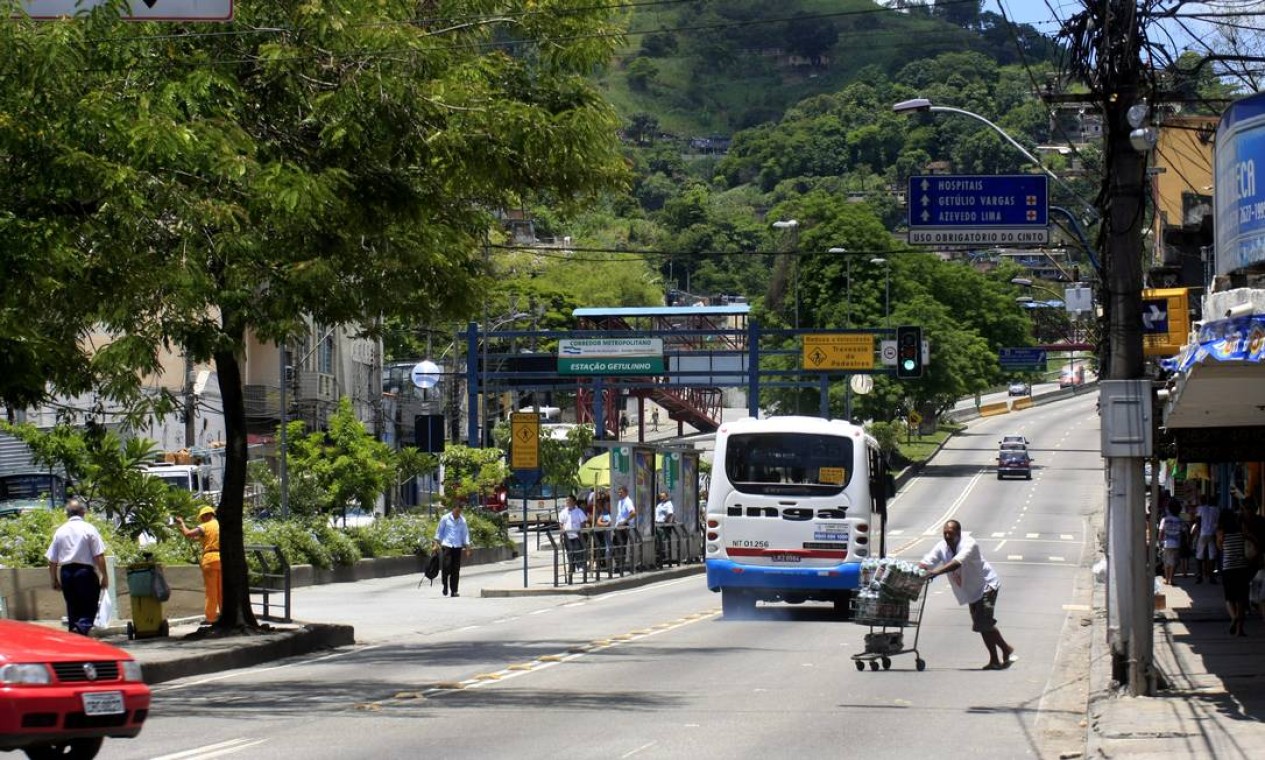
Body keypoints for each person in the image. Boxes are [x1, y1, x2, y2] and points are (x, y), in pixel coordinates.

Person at [920, 520, 1016, 670]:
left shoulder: (970, 543)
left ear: (958, 533)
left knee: (982, 622)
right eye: (945, 533)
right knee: (981, 624)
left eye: (950, 533)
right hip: (971, 590)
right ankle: (998, 656)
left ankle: (1003, 652)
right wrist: (918, 570)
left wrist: (936, 572)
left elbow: (957, 562)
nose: (947, 536)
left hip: (986, 585)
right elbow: (928, 562)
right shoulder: (942, 546)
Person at [45, 498, 109, 636]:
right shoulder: (89, 528)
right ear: (83, 512)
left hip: (66, 573)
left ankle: (75, 636)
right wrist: (104, 576)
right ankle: (80, 628)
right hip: (84, 572)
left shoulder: (60, 531)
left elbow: (52, 560)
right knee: (90, 606)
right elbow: (99, 555)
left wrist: (54, 579)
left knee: (73, 608)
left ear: (67, 514)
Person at [177, 505, 222, 624]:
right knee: (222, 591)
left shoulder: (205, 526)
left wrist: (181, 523)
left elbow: (188, 534)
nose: (201, 520)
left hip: (210, 560)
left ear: (207, 515)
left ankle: (211, 618)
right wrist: (183, 530)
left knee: (211, 591)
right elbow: (197, 538)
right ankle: (224, 615)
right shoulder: (220, 526)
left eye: (202, 517)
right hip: (222, 559)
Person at [1216, 507, 1251, 636]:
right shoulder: (1241, 529)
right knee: (1241, 599)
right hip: (1242, 567)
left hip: (1228, 568)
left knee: (1229, 598)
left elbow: (1220, 547)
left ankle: (1234, 617)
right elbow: (1250, 540)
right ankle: (1239, 630)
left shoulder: (1221, 532)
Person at [434, 503, 471, 597]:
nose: (458, 513)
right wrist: (436, 543)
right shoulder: (445, 518)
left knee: (456, 569)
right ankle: (445, 586)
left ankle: (454, 591)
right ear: (453, 509)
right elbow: (439, 532)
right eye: (457, 511)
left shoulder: (462, 520)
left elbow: (465, 534)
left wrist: (467, 547)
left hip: (457, 546)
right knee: (446, 567)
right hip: (447, 545)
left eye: (460, 511)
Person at [1192, 498, 1221, 584]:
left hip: (1203, 533)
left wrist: (1198, 532)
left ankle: (1199, 576)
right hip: (1212, 534)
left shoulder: (1201, 509)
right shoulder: (1216, 510)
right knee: (1212, 555)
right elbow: (1218, 522)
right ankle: (1211, 576)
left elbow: (1198, 520)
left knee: (1199, 555)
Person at [560, 496, 589, 573]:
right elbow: (561, 524)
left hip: (577, 535)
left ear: (574, 502)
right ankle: (571, 567)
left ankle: (580, 566)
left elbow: (583, 523)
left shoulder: (579, 511)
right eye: (566, 501)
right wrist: (562, 534)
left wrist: (581, 532)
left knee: (578, 551)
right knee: (569, 552)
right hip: (567, 536)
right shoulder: (563, 512)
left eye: (569, 500)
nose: (567, 502)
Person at [1158, 501, 1184, 586]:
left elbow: (1161, 531)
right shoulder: (1179, 520)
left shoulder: (1164, 519)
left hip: (1166, 543)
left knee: (1166, 562)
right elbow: (1182, 531)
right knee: (1173, 561)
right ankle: (1171, 579)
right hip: (1176, 543)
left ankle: (1166, 579)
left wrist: (1159, 541)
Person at [612, 485, 637, 569]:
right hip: (618, 526)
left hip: (624, 526)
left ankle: (620, 565)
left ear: (626, 492)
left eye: (621, 492)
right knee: (616, 545)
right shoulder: (620, 501)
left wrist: (624, 522)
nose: (619, 494)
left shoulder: (627, 501)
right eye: (619, 492)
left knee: (621, 545)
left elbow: (633, 513)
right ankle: (618, 564)